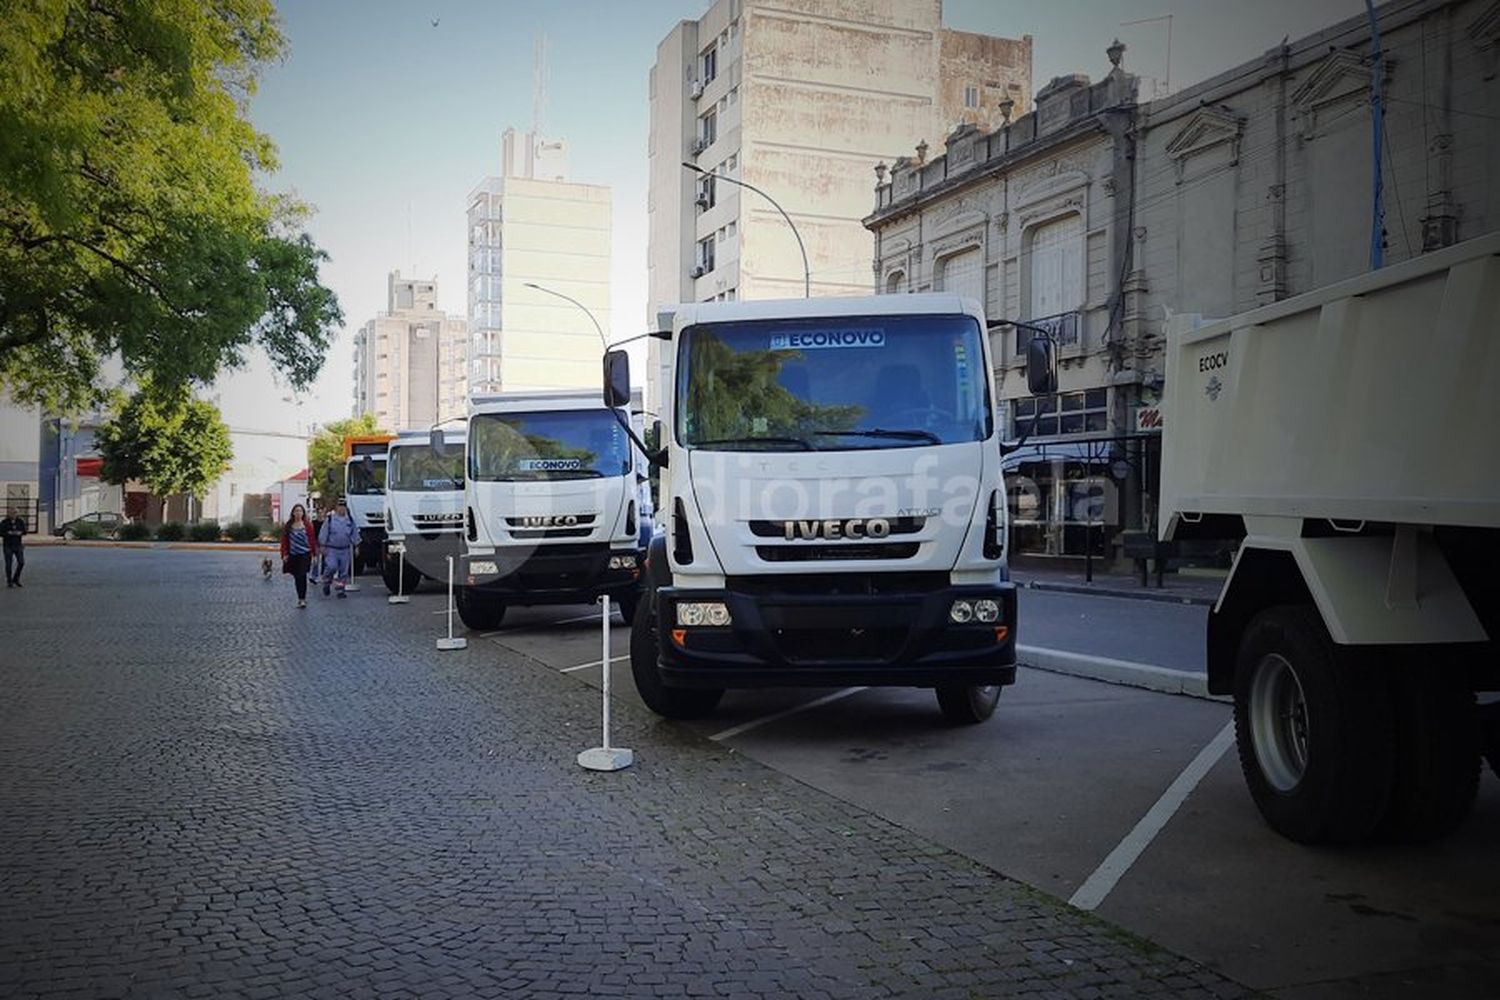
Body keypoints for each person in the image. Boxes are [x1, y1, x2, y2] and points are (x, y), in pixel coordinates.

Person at [318, 498, 361, 598]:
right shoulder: (330, 519)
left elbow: (354, 533)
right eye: (340, 506)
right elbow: (324, 533)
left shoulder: (349, 520)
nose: (342, 509)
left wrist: (357, 546)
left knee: (344, 571)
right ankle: (327, 582)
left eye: (344, 506)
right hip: (332, 548)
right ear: (336, 508)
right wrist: (322, 546)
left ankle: (341, 590)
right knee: (332, 566)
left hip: (345, 549)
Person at [278, 504, 318, 608]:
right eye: (296, 511)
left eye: (300, 511)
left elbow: (312, 540)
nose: (298, 513)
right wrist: (285, 554)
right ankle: (300, 598)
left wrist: (314, 554)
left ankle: (303, 599)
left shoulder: (307, 525)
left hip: (305, 554)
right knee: (297, 577)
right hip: (293, 555)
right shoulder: (289, 526)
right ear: (293, 513)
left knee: (302, 575)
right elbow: (284, 541)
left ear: (303, 513)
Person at [1, 508, 26, 588]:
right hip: (8, 545)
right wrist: (9, 533)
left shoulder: (20, 521)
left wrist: (20, 532)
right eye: (12, 513)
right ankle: (9, 581)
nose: (14, 514)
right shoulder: (4, 522)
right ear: (8, 514)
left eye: (15, 513)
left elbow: (24, 531)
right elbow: (1, 532)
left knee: (21, 562)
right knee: (9, 564)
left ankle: (16, 578)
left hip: (18, 545)